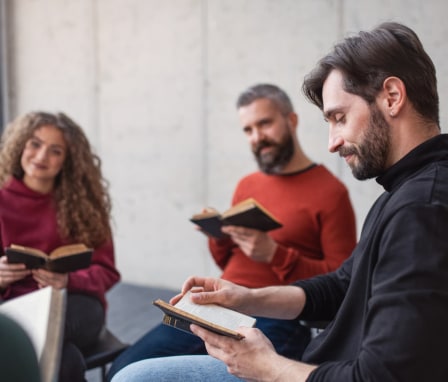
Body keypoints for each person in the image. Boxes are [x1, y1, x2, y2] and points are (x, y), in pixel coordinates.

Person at [111, 21, 448, 382]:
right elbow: (341, 285)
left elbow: (382, 376)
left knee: (135, 378)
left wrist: (267, 366)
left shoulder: (420, 209)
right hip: (314, 362)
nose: (332, 142)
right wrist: (244, 297)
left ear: (392, 97)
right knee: (130, 370)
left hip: (310, 369)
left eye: (339, 118)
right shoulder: (401, 195)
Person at [107, 84, 357, 379]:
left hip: (276, 315)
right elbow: (229, 263)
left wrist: (276, 255)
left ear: (291, 121)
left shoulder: (331, 192)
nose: (257, 137)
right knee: (121, 370)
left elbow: (343, 286)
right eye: (248, 130)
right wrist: (220, 237)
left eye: (265, 124)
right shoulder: (248, 185)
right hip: (221, 304)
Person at [0, 111, 120, 382]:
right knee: (66, 360)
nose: (41, 156)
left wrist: (68, 280)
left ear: (67, 160)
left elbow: (108, 273)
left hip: (76, 305)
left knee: (39, 332)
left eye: (55, 151)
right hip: (15, 306)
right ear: (20, 145)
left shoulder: (84, 207)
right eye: (35, 144)